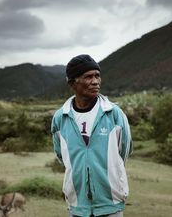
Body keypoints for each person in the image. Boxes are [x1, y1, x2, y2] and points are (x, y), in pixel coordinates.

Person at [51, 54, 133, 217]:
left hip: (110, 202)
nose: (95, 81)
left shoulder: (114, 114)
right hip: (77, 204)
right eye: (88, 77)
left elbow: (124, 151)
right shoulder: (61, 118)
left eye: (97, 75)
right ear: (72, 82)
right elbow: (62, 156)